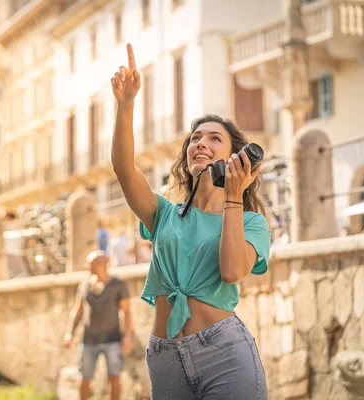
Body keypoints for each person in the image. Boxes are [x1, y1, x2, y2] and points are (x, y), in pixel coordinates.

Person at [110, 43, 270, 399]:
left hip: (225, 353)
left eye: (216, 138)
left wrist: (232, 194)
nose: (202, 143)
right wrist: (126, 104)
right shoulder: (164, 212)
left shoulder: (251, 223)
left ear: (234, 157)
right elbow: (123, 169)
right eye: (195, 137)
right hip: (164, 357)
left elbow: (231, 272)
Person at [63, 250, 133, 400]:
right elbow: (78, 310)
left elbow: (126, 311)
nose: (86, 266)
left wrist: (128, 334)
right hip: (88, 340)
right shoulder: (84, 285)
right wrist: (69, 332)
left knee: (114, 377)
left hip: (112, 339)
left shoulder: (119, 285)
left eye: (89, 263)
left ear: (100, 264)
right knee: (85, 378)